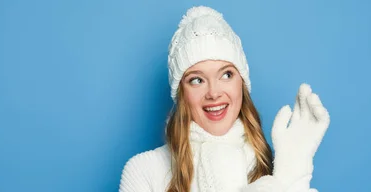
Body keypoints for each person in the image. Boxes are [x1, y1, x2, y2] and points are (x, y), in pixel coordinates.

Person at [119, 6, 330, 192]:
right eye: (196, 80)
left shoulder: (273, 166)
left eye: (226, 74)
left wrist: (294, 171)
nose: (213, 92)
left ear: (242, 83)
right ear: (181, 92)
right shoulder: (145, 171)